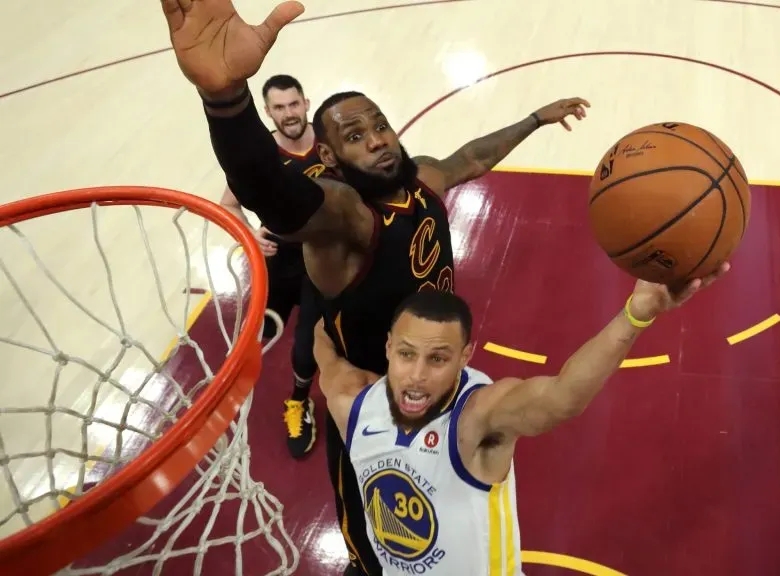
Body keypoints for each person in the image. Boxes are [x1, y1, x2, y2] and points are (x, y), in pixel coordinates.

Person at [160, 1, 589, 573]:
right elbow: (271, 188)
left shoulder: (422, 179)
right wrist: (226, 100)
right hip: (372, 408)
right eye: (356, 136)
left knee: (458, 507)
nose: (379, 140)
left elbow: (471, 157)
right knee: (381, 540)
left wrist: (534, 119)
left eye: (380, 125)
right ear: (332, 155)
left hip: (436, 381)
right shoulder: (345, 217)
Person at [312, 267, 729, 574]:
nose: (418, 374)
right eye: (407, 354)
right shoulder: (352, 403)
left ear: (464, 357)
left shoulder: (477, 419)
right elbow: (322, 349)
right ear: (388, 348)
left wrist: (637, 313)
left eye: (438, 358)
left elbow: (563, 396)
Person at [219, 73, 325, 460]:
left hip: (322, 257)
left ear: (306, 102)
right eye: (279, 107)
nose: (289, 113)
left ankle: (298, 400)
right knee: (264, 328)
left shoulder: (329, 139)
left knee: (308, 343)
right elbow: (228, 203)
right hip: (280, 258)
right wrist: (249, 236)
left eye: (294, 104)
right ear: (268, 112)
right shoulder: (261, 154)